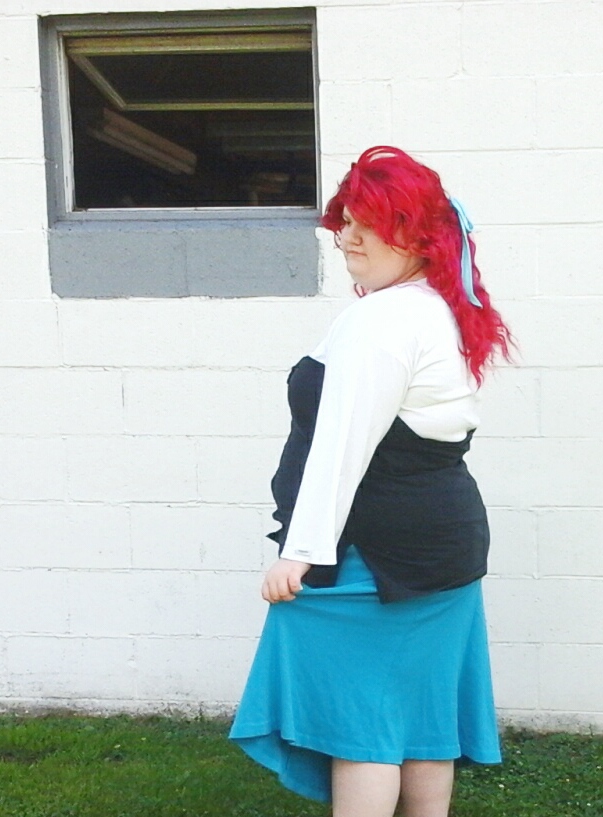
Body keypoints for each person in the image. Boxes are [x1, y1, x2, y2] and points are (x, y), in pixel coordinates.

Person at [229, 146, 513, 817]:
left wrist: (302, 551)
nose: (348, 237)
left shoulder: (385, 318)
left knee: (362, 728)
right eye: (347, 221)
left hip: (378, 556)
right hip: (439, 548)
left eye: (371, 223)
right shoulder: (434, 306)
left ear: (418, 233)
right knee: (420, 717)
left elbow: (343, 444)